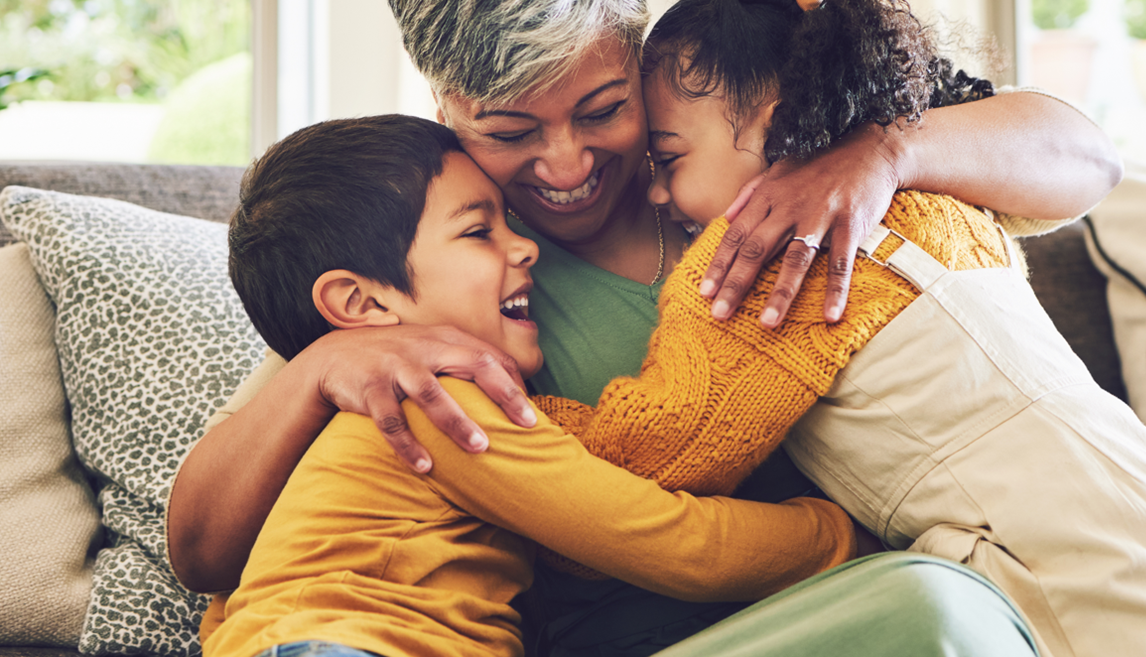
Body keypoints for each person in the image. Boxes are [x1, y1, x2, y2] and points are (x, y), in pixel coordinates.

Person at [168, 0, 1120, 653]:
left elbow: (1087, 159)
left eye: (603, 110)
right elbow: (205, 549)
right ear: (444, 108)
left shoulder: (768, 145)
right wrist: (321, 367)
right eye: (508, 129)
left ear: (641, 54)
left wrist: (888, 152)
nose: (566, 166)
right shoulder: (439, 269)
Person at [630, 0, 1146, 657]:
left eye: (667, 159)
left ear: (773, 121)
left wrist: (519, 424)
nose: (657, 194)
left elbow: (656, 449)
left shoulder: (762, 267)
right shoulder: (944, 204)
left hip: (1084, 568)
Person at [204, 115, 866, 657]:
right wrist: (844, 536)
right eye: (478, 231)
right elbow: (673, 540)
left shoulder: (361, 409)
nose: (525, 249)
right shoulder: (438, 402)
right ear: (361, 305)